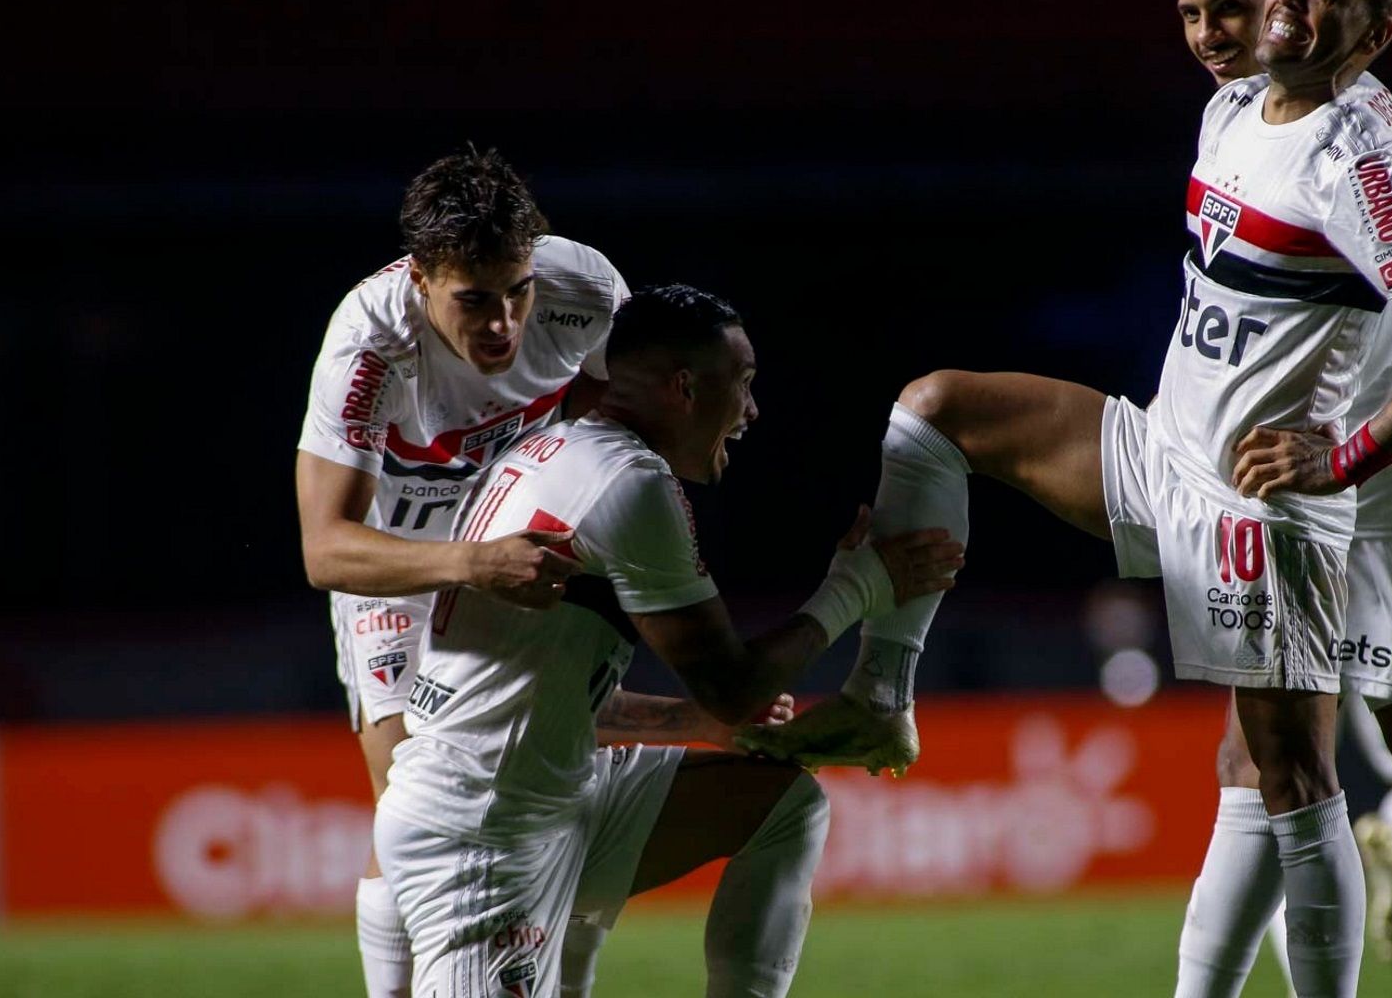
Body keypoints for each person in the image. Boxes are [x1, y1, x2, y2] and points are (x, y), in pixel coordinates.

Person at [751, 0, 1392, 995]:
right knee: (933, 412)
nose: (1237, 23)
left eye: (1264, 2)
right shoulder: (1234, 108)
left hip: (1257, 509)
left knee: (1294, 777)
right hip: (1166, 453)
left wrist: (1339, 462)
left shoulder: (1358, 153)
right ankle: (883, 693)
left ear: (1366, 33)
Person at [374, 284, 965, 997]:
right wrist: (858, 586)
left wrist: (691, 724)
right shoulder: (630, 482)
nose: (752, 411)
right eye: (742, 386)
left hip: (545, 796)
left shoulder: (552, 451)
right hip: (483, 833)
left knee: (781, 806)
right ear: (685, 388)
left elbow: (544, 689)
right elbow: (735, 685)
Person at [296, 147, 622, 995]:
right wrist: (473, 563)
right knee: (414, 798)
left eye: (517, 291)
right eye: (473, 300)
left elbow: (634, 406)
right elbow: (326, 549)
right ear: (420, 279)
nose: (503, 324)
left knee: (549, 783)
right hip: (399, 568)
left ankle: (563, 974)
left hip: (518, 554)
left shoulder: (587, 293)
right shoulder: (369, 345)